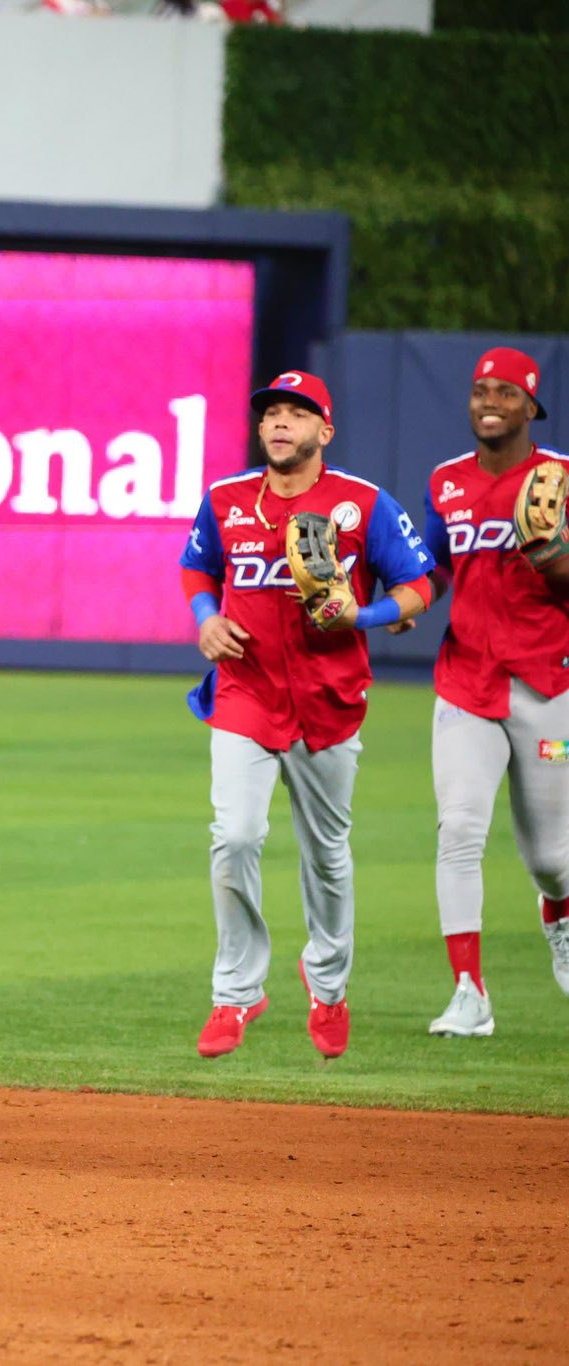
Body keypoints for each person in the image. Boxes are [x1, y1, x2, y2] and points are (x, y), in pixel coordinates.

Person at [178, 370, 435, 1061]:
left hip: (329, 698)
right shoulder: (226, 500)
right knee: (233, 837)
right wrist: (206, 618)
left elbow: (419, 584)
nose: (280, 424)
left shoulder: (363, 503)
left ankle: (327, 987)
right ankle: (236, 994)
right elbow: (198, 567)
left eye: (297, 414)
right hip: (245, 692)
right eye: (270, 415)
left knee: (326, 856)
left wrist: (368, 614)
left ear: (325, 429)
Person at [418, 347, 569, 1038]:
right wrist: (399, 603)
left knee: (551, 859)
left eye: (505, 391)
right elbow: (434, 570)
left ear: (530, 406)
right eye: (480, 388)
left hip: (548, 683)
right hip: (466, 679)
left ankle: (559, 916)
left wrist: (555, 559)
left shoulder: (561, 477)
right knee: (458, 829)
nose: (488, 401)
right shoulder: (445, 481)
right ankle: (469, 993)